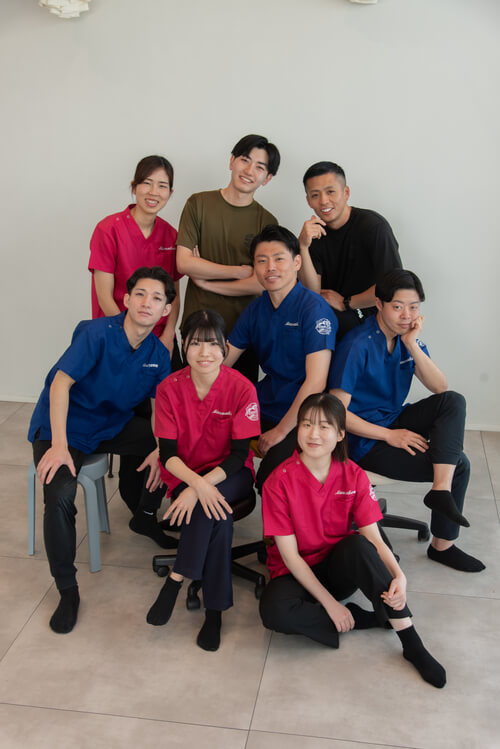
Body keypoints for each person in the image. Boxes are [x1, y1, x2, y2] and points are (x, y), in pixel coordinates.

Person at [260, 393, 446, 689]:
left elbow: (374, 537)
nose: (313, 434)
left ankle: (411, 642)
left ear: (340, 434)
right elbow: (291, 558)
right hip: (295, 573)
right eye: (306, 425)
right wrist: (331, 605)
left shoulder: (353, 475)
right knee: (273, 612)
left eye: (324, 426)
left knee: (360, 545)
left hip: (338, 566)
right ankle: (360, 619)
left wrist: (400, 576)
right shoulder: (278, 481)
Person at [28, 267, 177, 635]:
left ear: (165, 311)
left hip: (109, 426)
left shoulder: (158, 354)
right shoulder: (96, 333)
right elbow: (60, 385)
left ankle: (144, 515)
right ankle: (67, 590)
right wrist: (58, 446)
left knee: (171, 448)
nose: (147, 303)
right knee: (60, 495)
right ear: (126, 299)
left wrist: (161, 449)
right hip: (63, 426)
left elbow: (160, 410)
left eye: (156, 298)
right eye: (140, 294)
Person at [329, 269, 485, 573]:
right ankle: (442, 543)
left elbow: (440, 387)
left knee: (453, 401)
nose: (406, 315)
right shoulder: (358, 344)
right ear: (379, 304)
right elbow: (337, 414)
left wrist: (412, 343)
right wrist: (390, 436)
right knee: (460, 463)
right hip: (363, 439)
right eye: (398, 306)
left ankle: (440, 496)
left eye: (414, 307)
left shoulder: (405, 339)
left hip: (393, 418)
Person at [147, 309, 260, 651]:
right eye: (196, 343)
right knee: (218, 516)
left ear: (225, 347)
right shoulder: (168, 389)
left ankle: (176, 578)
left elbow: (239, 455)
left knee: (209, 504)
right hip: (185, 473)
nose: (205, 352)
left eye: (213, 343)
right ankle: (215, 612)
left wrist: (200, 488)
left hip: (232, 474)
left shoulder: (242, 388)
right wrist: (196, 486)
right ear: (184, 346)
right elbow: (168, 454)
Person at [225, 225, 337, 488]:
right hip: (267, 401)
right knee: (211, 440)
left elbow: (316, 383)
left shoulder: (314, 309)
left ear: (297, 262)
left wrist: (280, 431)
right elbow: (223, 361)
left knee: (271, 479)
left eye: (278, 259)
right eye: (262, 261)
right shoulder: (256, 309)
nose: (270, 267)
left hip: (306, 413)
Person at [176, 134, 280, 380]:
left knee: (237, 400)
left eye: (260, 167)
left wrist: (206, 280)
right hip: (197, 327)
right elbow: (184, 262)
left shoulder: (267, 222)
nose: (249, 170)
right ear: (232, 161)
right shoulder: (198, 203)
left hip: (243, 332)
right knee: (191, 398)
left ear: (267, 178)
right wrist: (238, 271)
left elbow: (260, 284)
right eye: (245, 160)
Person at [89, 155, 183, 368]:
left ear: (170, 193)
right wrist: (130, 338)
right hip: (116, 333)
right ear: (134, 187)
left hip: (159, 336)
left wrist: (168, 337)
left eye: (162, 186)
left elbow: (174, 297)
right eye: (147, 183)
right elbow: (104, 297)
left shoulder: (171, 235)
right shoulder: (108, 229)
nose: (154, 192)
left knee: (175, 387)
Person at [298, 161, 402, 340]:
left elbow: (393, 286)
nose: (323, 201)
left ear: (346, 193)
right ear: (308, 201)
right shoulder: (314, 233)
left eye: (330, 192)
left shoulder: (373, 226)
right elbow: (312, 292)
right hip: (331, 314)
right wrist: (302, 247)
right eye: (315, 195)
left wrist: (346, 303)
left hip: (370, 314)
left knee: (324, 324)